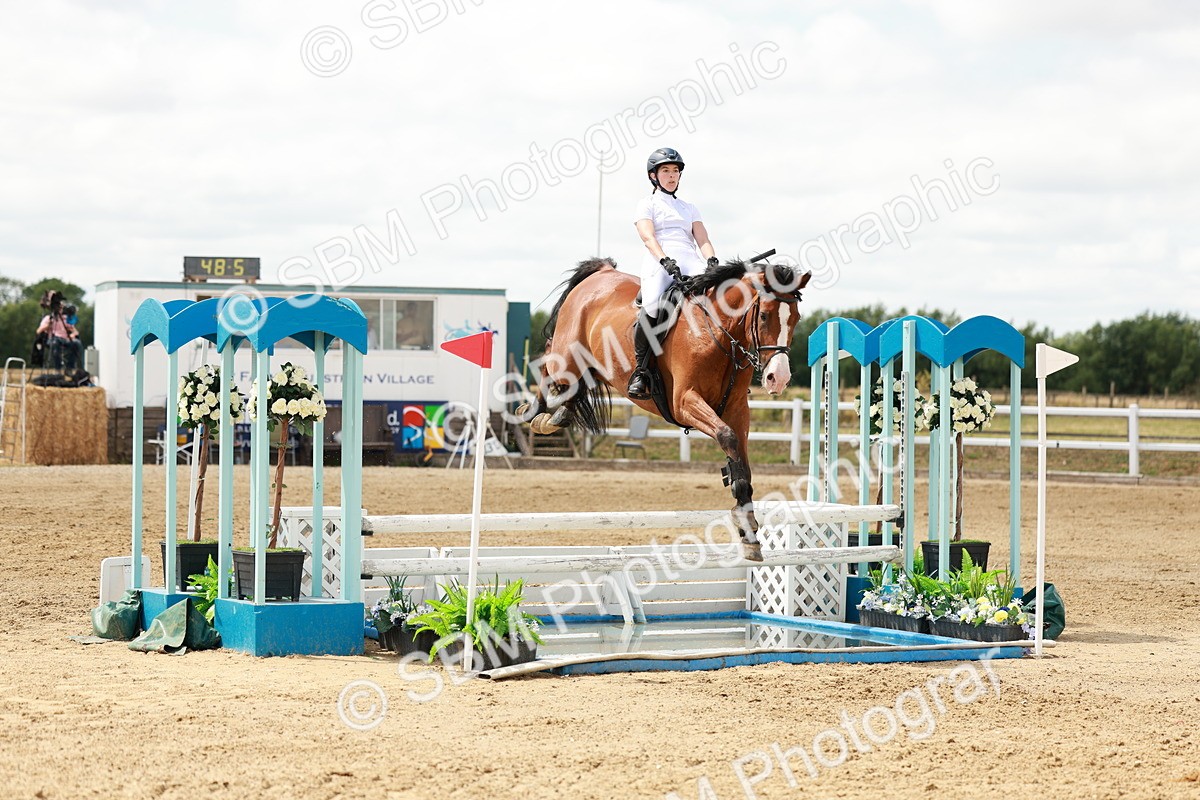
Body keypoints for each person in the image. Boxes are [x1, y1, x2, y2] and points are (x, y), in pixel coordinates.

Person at [627, 147, 720, 399]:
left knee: (720, 296)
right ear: (653, 176)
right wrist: (665, 261)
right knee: (654, 307)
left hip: (690, 259)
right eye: (666, 171)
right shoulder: (647, 204)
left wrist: (711, 259)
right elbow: (648, 237)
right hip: (660, 260)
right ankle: (641, 371)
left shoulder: (689, 208)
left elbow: (702, 238)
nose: (672, 175)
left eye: (675, 171)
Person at [36, 293, 83, 371]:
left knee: (77, 343)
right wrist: (48, 325)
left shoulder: (65, 319)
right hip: (53, 340)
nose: (60, 309)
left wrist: (72, 335)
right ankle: (58, 369)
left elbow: (75, 331)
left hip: (65, 340)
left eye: (61, 308)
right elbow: (38, 331)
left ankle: (69, 368)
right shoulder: (48, 318)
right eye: (59, 308)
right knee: (55, 342)